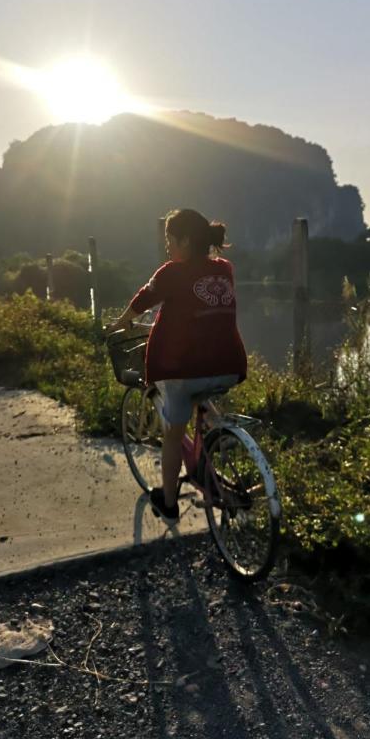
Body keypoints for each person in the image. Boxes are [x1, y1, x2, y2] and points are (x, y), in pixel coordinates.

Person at [110, 208, 247, 523]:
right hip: (229, 366)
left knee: (173, 433)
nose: (168, 246)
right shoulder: (224, 269)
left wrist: (120, 323)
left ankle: (169, 502)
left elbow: (143, 300)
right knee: (201, 395)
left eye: (171, 240)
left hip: (183, 370)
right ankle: (216, 437)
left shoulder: (171, 272)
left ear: (184, 240)